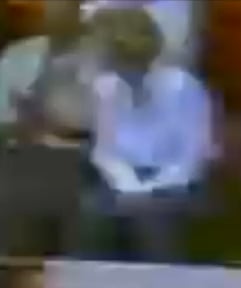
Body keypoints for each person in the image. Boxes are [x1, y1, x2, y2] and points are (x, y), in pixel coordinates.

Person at [74, 6, 214, 263]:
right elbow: (105, 152)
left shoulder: (183, 86)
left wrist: (150, 190)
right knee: (90, 212)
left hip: (181, 184)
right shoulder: (105, 89)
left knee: (152, 217)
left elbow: (193, 157)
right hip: (123, 183)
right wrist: (128, 186)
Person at [0, 0, 102, 257]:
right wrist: (14, 124)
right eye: (50, 7)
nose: (54, 13)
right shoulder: (18, 53)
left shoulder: (100, 58)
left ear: (80, 13)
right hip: (16, 149)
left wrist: (52, 121)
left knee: (47, 191)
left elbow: (100, 121)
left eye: (63, 8)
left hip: (74, 155)